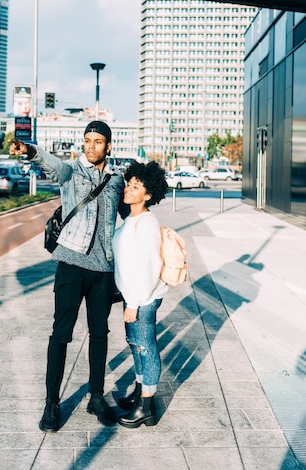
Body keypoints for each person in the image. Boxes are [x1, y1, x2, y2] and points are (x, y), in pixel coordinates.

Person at [9, 121, 128, 432]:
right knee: (61, 334)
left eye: (98, 141)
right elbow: (52, 164)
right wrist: (31, 151)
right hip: (71, 265)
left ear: (108, 146)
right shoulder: (72, 172)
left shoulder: (117, 181)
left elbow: (133, 214)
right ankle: (52, 403)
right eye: (87, 140)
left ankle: (96, 397)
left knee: (100, 334)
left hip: (103, 270)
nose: (91, 146)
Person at [112, 160, 169, 428]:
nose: (129, 189)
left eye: (137, 187)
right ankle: (139, 391)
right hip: (132, 295)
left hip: (143, 298)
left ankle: (147, 406)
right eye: (129, 184)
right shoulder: (130, 219)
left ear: (148, 194)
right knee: (135, 344)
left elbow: (148, 267)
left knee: (146, 348)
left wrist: (133, 303)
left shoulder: (146, 223)